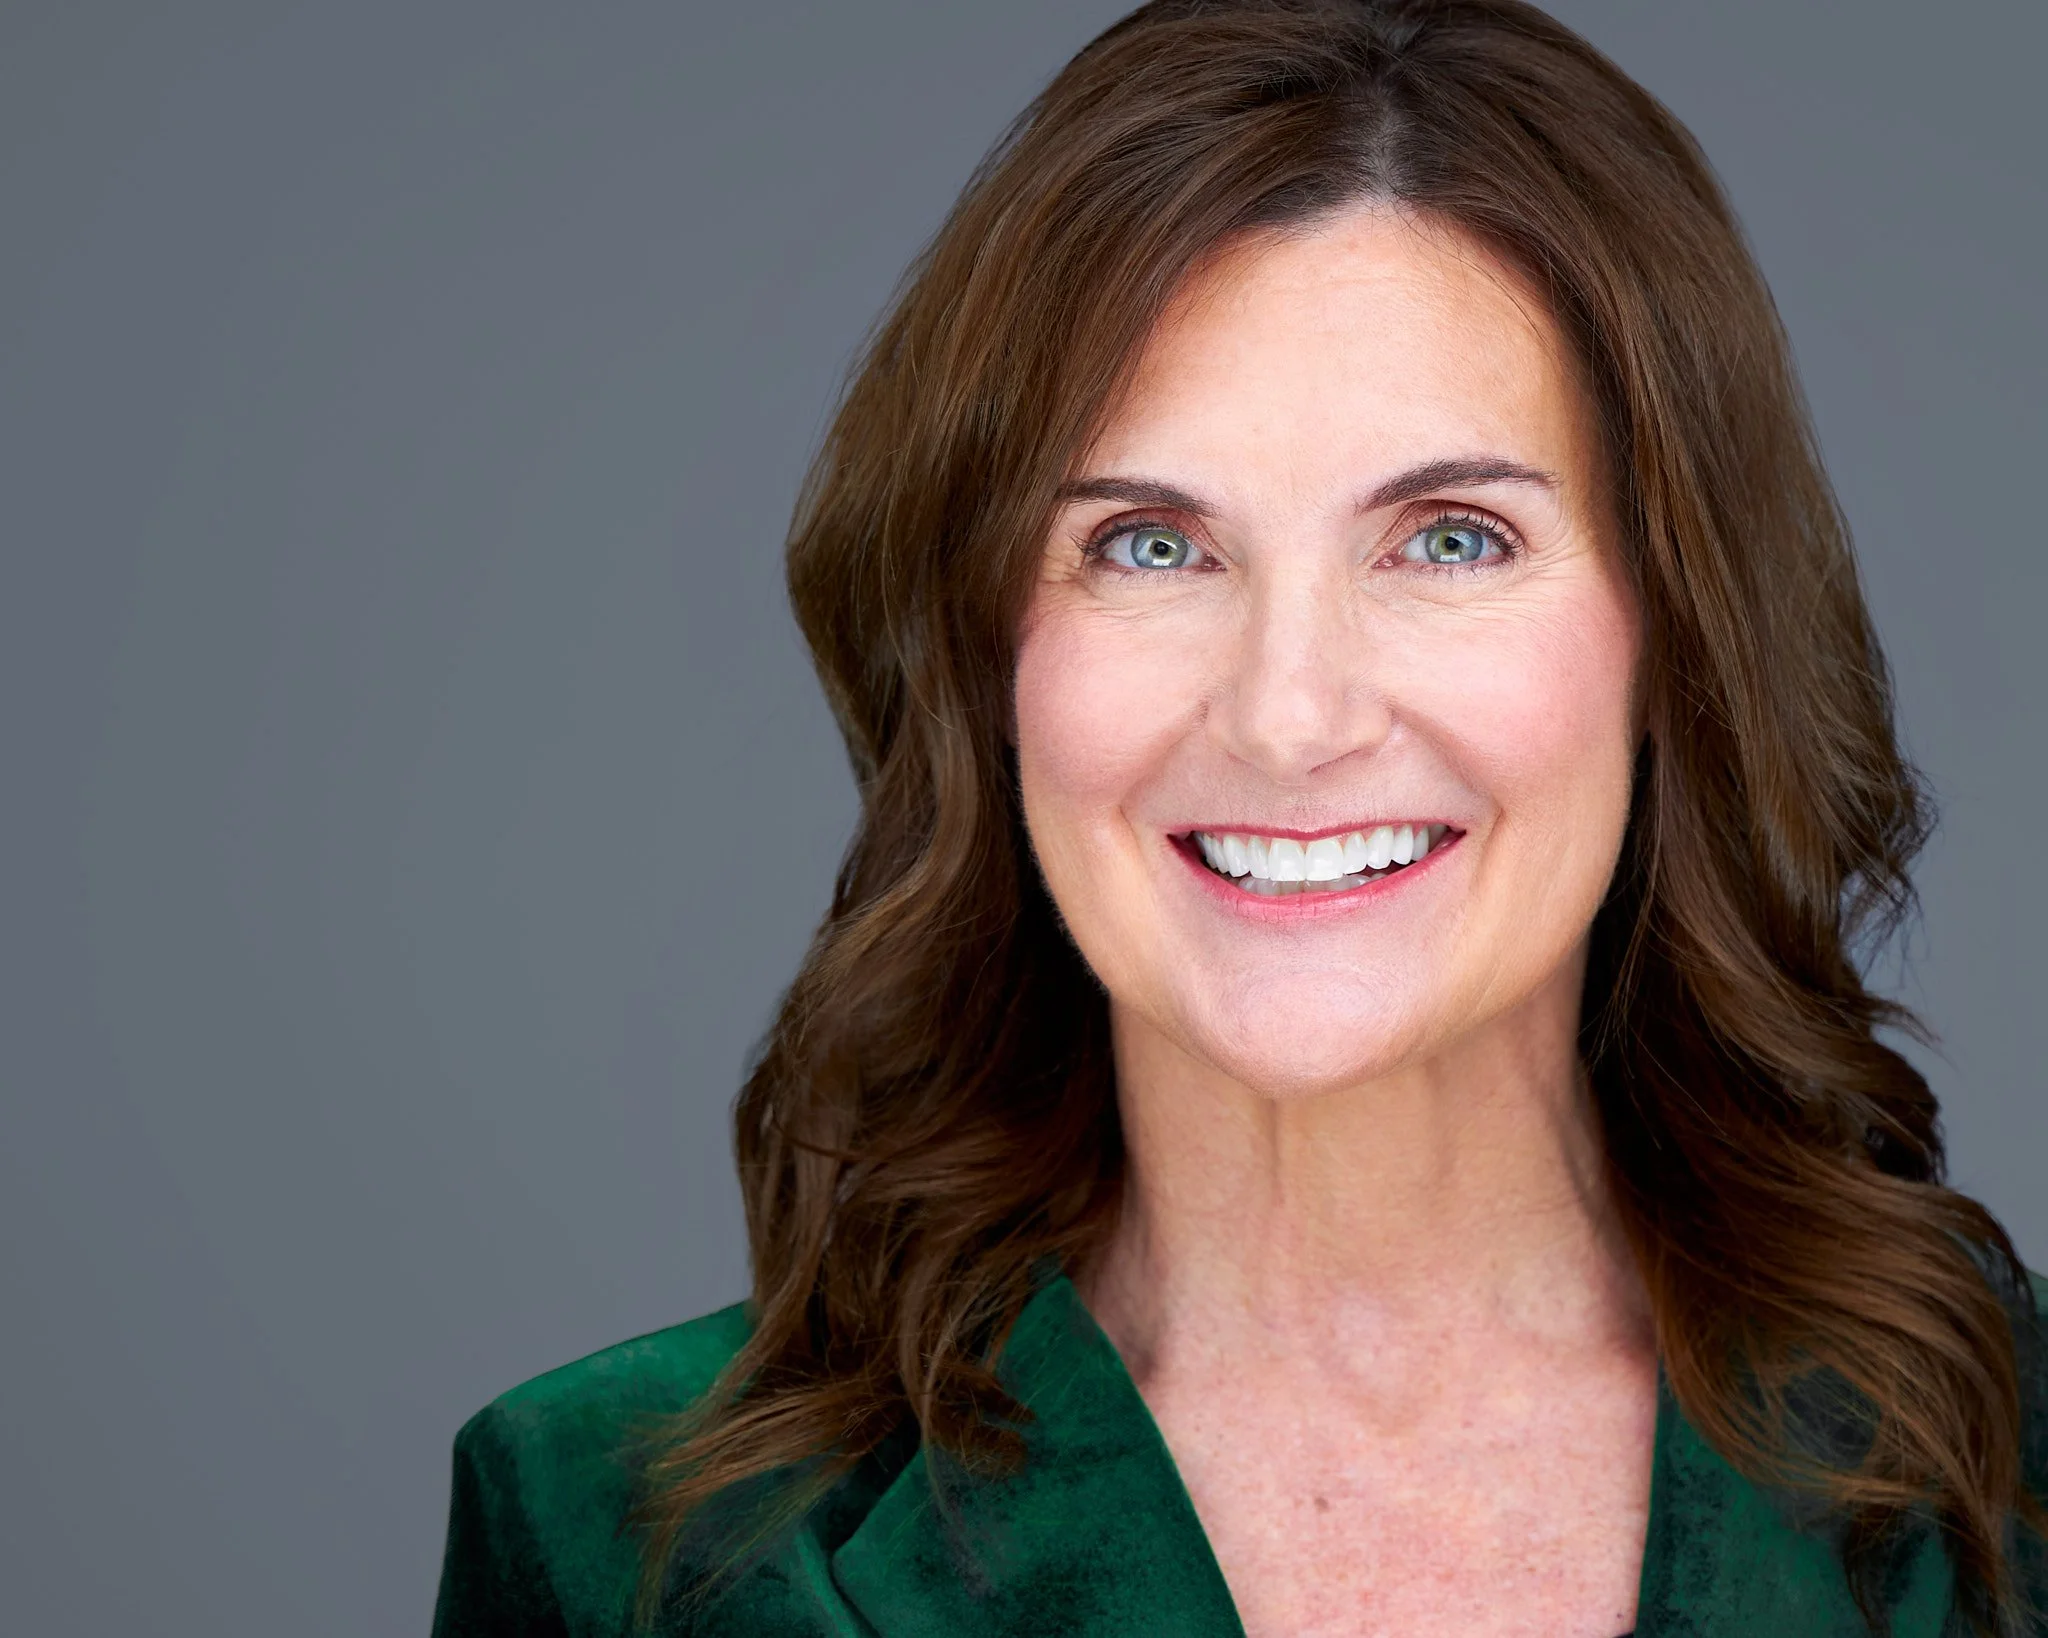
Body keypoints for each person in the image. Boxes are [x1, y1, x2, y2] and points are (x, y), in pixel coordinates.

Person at [430, 2, 2047, 1634]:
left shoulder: (2015, 1478)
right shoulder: (618, 1539)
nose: (1288, 716)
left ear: (1671, 630)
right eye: (1148, 544)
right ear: (988, 649)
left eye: (1450, 540)